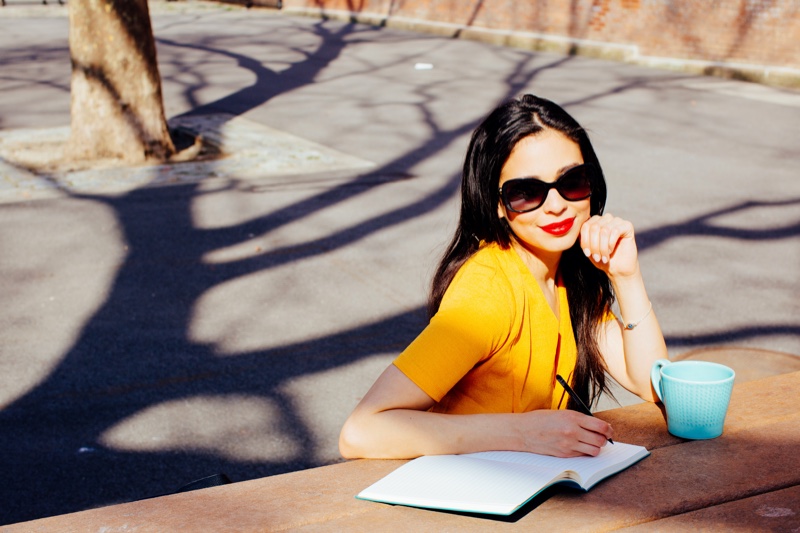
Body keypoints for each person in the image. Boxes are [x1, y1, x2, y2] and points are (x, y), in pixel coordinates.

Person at [339, 94, 667, 460]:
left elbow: (649, 382)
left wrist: (626, 276)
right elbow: (361, 431)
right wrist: (523, 433)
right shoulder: (489, 292)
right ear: (496, 203)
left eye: (572, 181)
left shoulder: (568, 273)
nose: (556, 204)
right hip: (464, 497)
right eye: (526, 193)